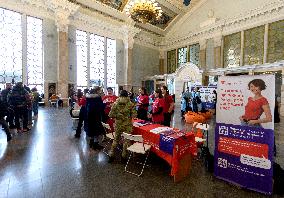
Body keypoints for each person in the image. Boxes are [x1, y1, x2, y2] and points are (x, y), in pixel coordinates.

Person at [108, 90, 137, 163]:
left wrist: (118, 116)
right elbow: (134, 115)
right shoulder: (130, 104)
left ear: (120, 95)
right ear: (127, 95)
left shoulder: (115, 103)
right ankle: (123, 157)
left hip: (118, 124)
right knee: (126, 141)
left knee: (116, 140)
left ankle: (111, 155)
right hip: (127, 125)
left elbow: (110, 115)